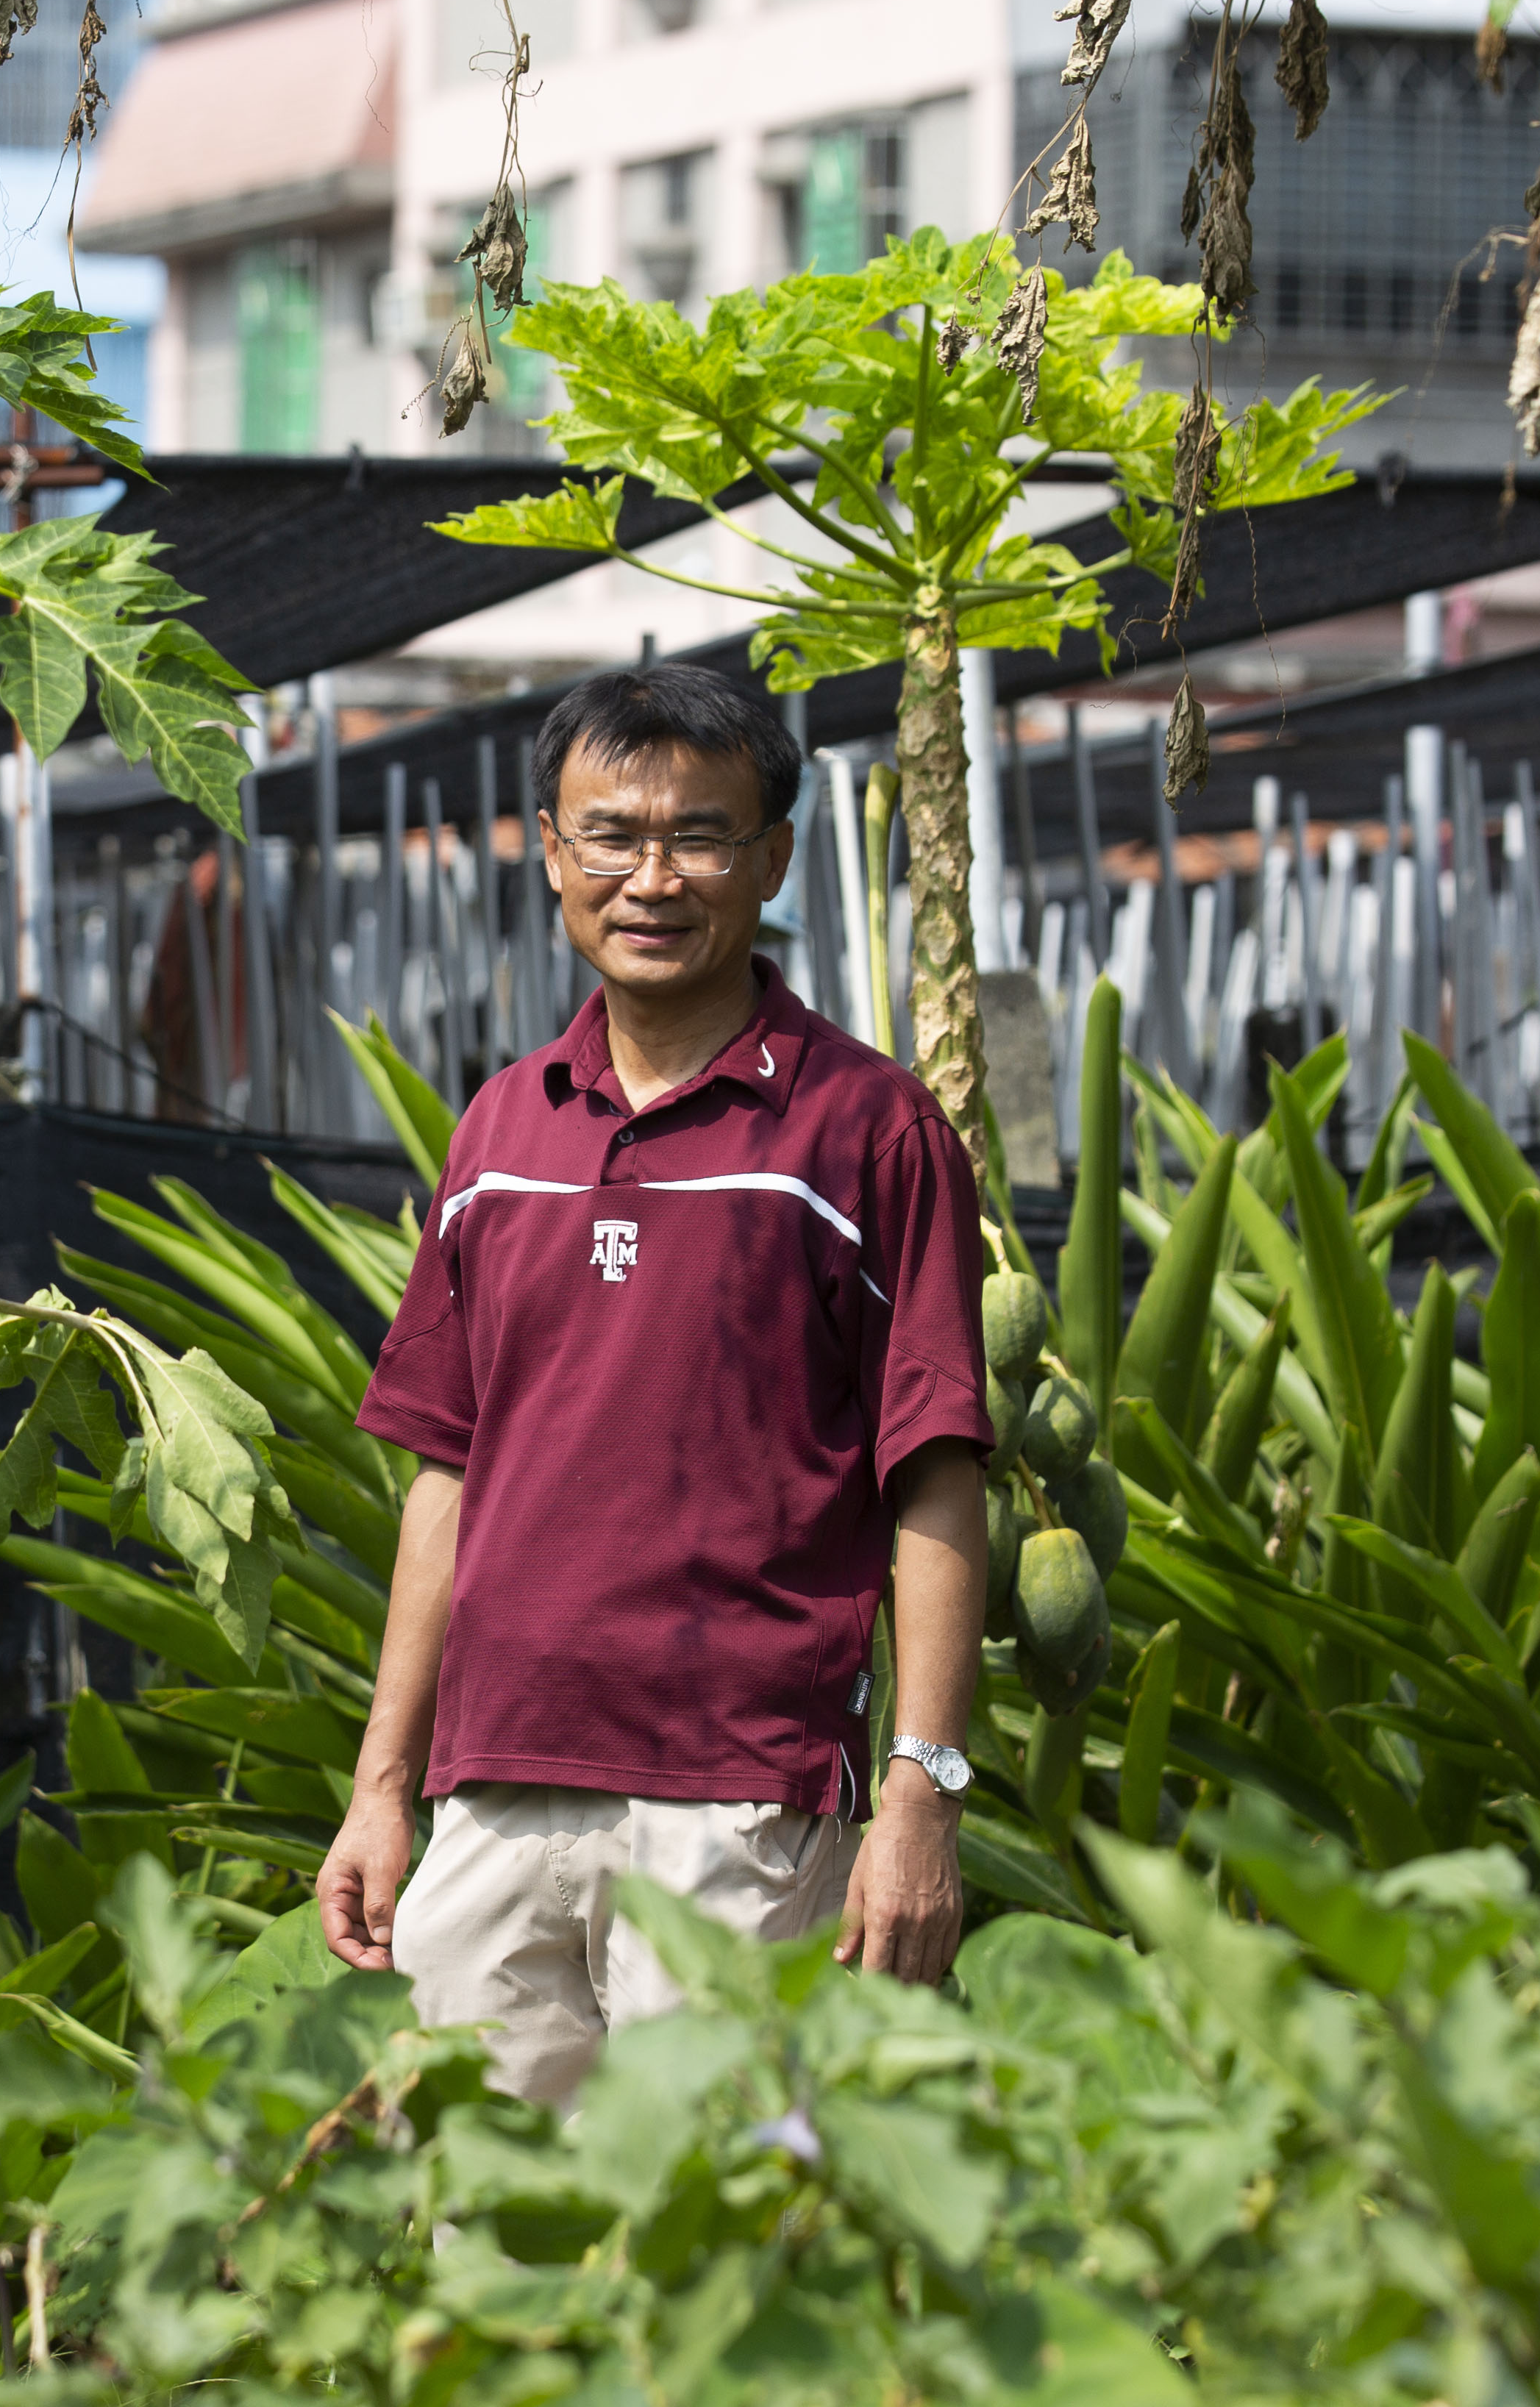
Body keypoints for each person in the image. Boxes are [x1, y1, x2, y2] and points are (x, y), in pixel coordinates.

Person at [313, 663, 993, 2105]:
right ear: (553, 854)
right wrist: (385, 1788)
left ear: (771, 859)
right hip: (495, 1792)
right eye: (611, 835)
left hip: (740, 1804)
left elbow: (935, 1470)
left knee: (721, 2262)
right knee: (483, 2260)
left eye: (700, 835)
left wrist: (923, 1785)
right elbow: (447, 1471)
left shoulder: (870, 1130)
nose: (654, 876)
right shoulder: (501, 1129)